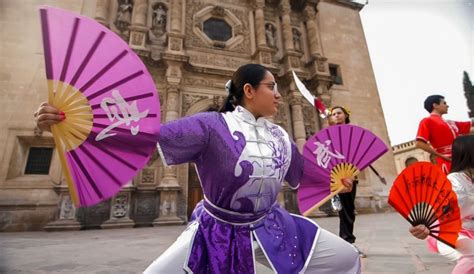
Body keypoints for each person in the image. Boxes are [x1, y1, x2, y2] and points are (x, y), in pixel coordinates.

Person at [35, 64, 360, 273]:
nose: (278, 94)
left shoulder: (280, 134)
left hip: (272, 225)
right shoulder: (210, 126)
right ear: (248, 91)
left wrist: (338, 183)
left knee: (347, 258)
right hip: (216, 229)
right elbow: (147, 138)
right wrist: (76, 124)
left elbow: (302, 176)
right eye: (271, 86)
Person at [409, 135, 474, 274]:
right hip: (450, 234)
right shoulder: (454, 182)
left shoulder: (471, 178)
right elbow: (439, 209)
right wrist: (424, 225)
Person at [328, 106, 366, 258]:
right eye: (333, 114)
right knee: (342, 211)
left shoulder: (353, 133)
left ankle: (346, 241)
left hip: (350, 177)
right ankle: (346, 242)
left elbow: (358, 156)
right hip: (335, 178)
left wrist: (351, 175)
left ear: (345, 115)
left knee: (348, 210)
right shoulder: (329, 135)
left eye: (339, 113)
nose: (336, 116)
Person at [416, 95, 473, 174]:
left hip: (462, 160)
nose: (447, 105)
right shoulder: (427, 121)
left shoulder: (451, 123)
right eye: (444, 103)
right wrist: (440, 155)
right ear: (435, 105)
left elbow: (470, 127)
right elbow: (419, 143)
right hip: (448, 162)